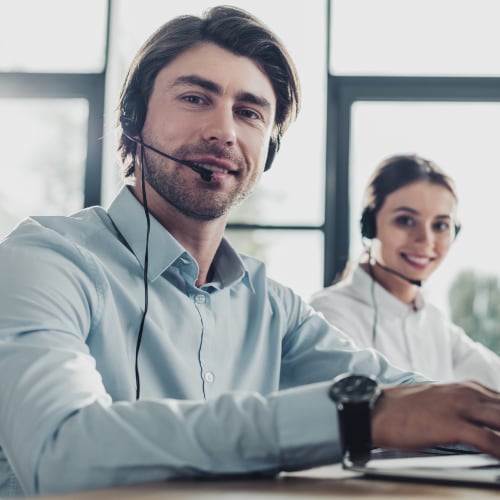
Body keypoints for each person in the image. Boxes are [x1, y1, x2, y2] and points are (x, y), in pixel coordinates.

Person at [0, 7, 500, 497]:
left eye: (249, 112)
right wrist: (353, 416)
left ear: (269, 149)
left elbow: (412, 399)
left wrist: (471, 412)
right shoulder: (46, 260)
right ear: (134, 118)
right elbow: (57, 451)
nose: (225, 132)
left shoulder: (272, 307)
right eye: (195, 98)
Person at [310, 154, 500, 388]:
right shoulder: (328, 315)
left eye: (440, 225)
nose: (425, 240)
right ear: (370, 226)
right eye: (406, 221)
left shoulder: (433, 322)